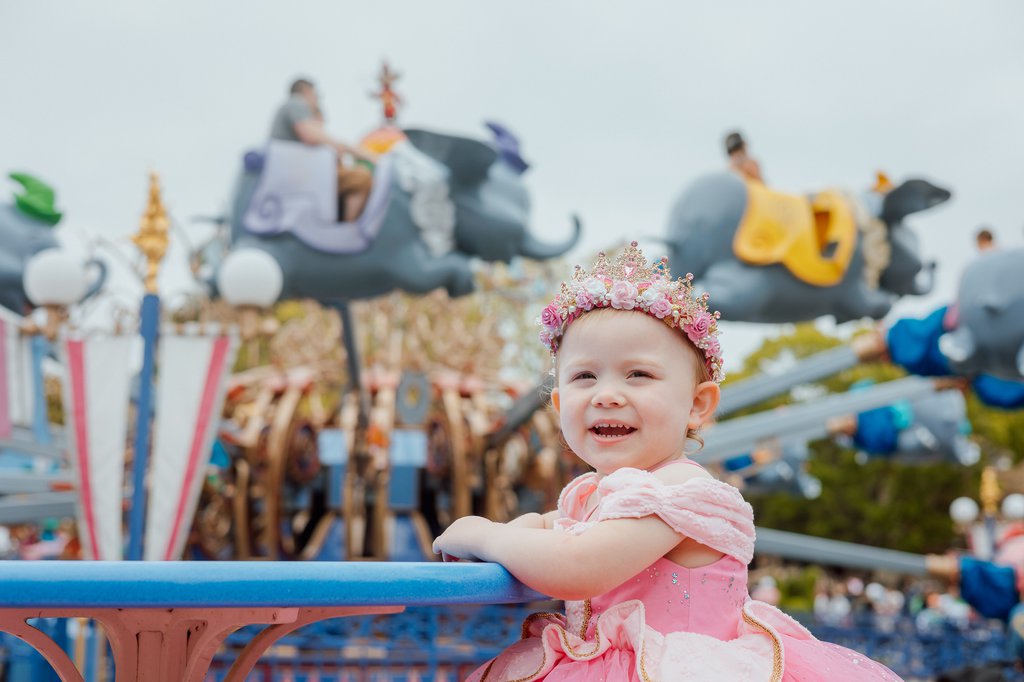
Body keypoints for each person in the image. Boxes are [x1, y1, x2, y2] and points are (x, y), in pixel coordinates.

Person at [433, 242, 902, 680]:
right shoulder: (588, 495)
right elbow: (546, 530)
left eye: (638, 374)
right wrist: (498, 539)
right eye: (584, 376)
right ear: (558, 406)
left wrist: (481, 532)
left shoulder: (681, 492)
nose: (607, 394)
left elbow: (578, 567)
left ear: (698, 405)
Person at [270, 78, 378, 221]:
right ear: (307, 92)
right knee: (362, 178)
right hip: (302, 178)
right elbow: (313, 136)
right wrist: (370, 157)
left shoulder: (289, 110)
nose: (317, 100)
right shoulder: (296, 104)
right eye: (316, 95)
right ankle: (348, 230)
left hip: (299, 177)